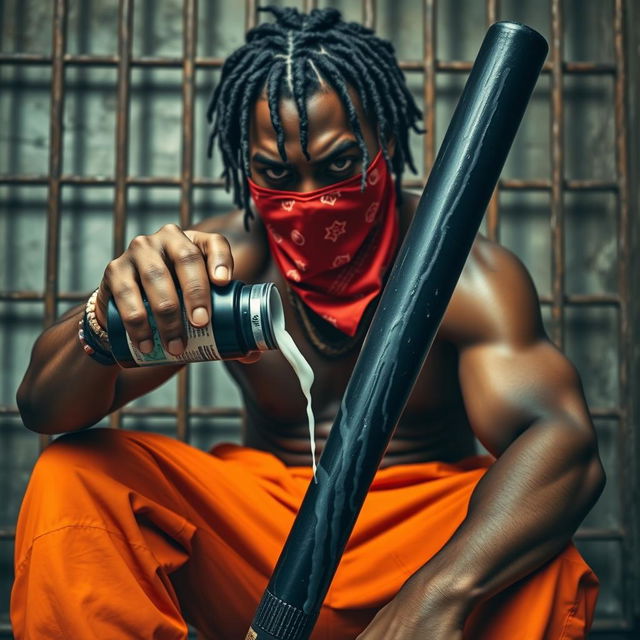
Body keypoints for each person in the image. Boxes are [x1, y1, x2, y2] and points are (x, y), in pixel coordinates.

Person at [11, 7, 604, 639]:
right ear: (246, 167)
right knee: (72, 479)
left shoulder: (467, 277)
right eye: (277, 174)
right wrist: (107, 321)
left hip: (418, 543)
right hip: (265, 542)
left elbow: (563, 443)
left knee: (541, 560)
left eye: (339, 165)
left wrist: (442, 592)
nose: (311, 195)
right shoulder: (219, 265)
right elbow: (44, 408)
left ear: (387, 144)